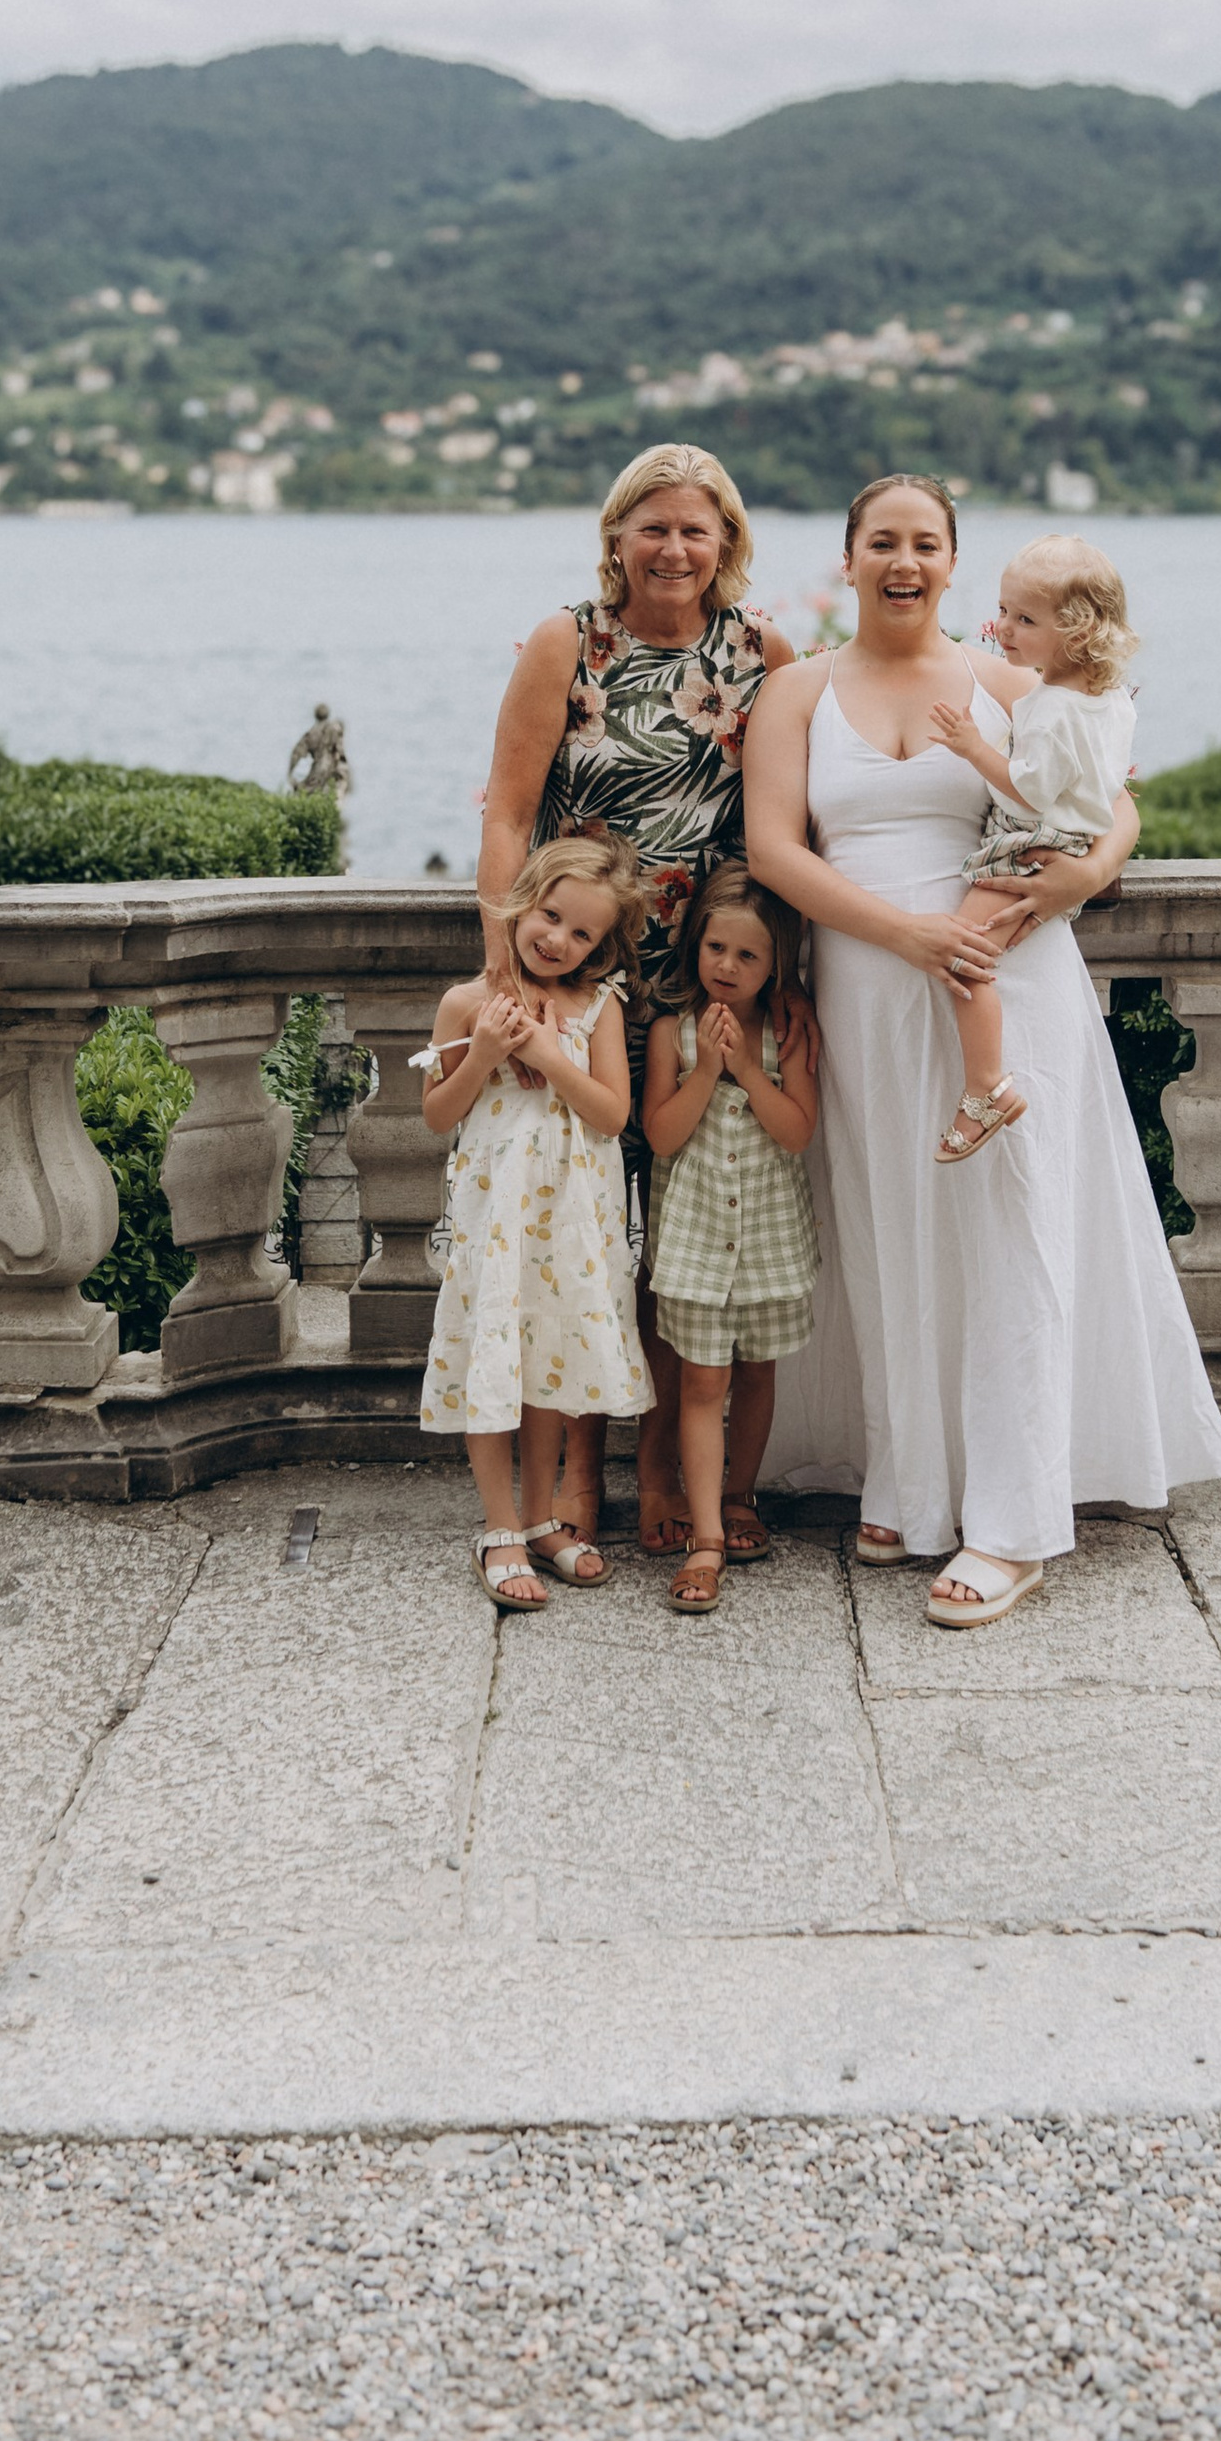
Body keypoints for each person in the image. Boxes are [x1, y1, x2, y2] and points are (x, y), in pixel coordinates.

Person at [746, 474, 1221, 1630]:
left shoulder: (1007, 679)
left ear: (952, 564)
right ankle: (909, 1483)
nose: (902, 561)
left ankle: (1011, 1524)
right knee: (889, 1232)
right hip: (868, 987)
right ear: (851, 557)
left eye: (925, 543)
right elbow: (774, 851)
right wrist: (905, 932)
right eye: (882, 542)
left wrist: (1082, 873)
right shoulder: (796, 692)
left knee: (1010, 1233)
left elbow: (1108, 796)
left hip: (1006, 986)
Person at [476, 443, 803, 1551]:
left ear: (727, 544)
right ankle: (577, 1464)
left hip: (709, 978)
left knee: (677, 1235)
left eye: (695, 529)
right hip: (584, 971)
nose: (673, 547)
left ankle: (669, 1460)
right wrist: (507, 971)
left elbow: (803, 814)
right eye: (652, 526)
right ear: (616, 537)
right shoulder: (567, 641)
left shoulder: (764, 651)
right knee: (580, 1227)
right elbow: (506, 814)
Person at [415, 838, 651, 1609]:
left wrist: (551, 1056)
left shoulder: (599, 1008)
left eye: (582, 934)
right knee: (493, 1356)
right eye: (551, 917)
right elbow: (437, 1115)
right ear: (524, 902)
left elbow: (614, 1115)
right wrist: (483, 1053)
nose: (558, 940)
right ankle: (500, 1527)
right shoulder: (465, 1003)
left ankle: (544, 1512)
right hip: (498, 1223)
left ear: (603, 945)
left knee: (549, 1362)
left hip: (570, 1222)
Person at [639, 861, 821, 1616]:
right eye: (717, 949)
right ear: (697, 947)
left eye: (748, 956)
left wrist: (748, 1066)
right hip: (695, 1240)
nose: (728, 967)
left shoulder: (788, 1033)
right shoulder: (670, 1034)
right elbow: (661, 1135)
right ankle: (706, 1537)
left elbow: (797, 1133)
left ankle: (741, 1496)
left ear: (776, 961)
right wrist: (707, 1069)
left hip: (771, 1238)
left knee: (756, 1375)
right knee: (699, 1383)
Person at [926, 532, 1139, 1166]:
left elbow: (1032, 787)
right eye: (1002, 610)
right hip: (1074, 844)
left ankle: (985, 1088)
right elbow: (1102, 791)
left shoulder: (1047, 706)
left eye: (1024, 618)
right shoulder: (1109, 702)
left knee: (963, 958)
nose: (1002, 627)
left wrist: (972, 747)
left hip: (1028, 846)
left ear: (1074, 632)